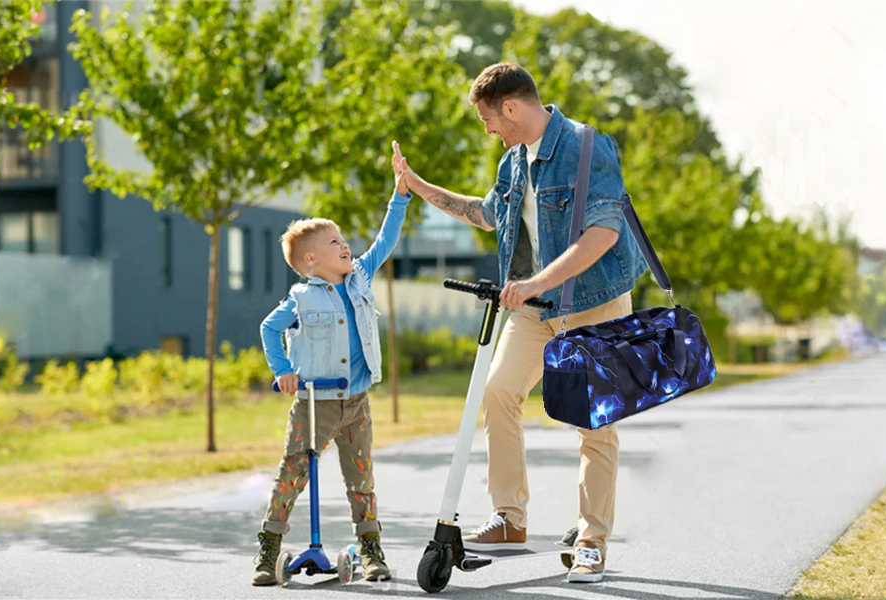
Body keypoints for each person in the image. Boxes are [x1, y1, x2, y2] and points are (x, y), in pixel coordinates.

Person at [397, 62, 647, 584]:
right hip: (536, 309)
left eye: (489, 119)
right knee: (497, 392)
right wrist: (416, 184)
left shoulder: (586, 147)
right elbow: (486, 213)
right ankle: (510, 518)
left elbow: (602, 232)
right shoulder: (514, 162)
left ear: (511, 107)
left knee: (592, 423)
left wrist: (536, 282)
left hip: (594, 301)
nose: (488, 130)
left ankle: (591, 541)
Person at [250, 142, 415, 586]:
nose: (346, 246)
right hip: (313, 403)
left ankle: (371, 548)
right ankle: (268, 549)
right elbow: (269, 328)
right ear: (310, 260)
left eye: (344, 240)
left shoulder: (359, 275)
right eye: (334, 243)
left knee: (361, 478)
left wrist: (399, 195)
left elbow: (386, 240)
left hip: (356, 401)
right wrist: (282, 369)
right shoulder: (301, 297)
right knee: (293, 472)